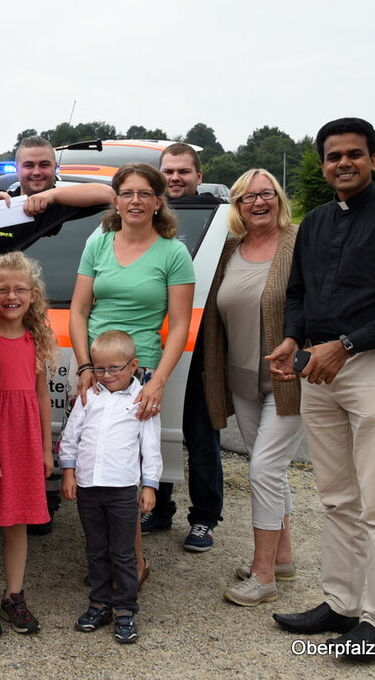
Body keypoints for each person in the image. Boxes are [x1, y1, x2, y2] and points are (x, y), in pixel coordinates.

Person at [268, 118, 375, 660]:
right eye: (333, 155)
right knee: (338, 497)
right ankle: (341, 604)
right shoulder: (316, 222)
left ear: (373, 160)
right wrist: (293, 337)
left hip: (369, 368)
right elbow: (296, 293)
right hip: (318, 369)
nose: (343, 163)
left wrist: (347, 343)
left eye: (354, 154)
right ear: (322, 164)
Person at [68, 162, 195, 580]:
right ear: (116, 200)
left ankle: (133, 565)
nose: (135, 201)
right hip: (95, 369)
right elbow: (79, 309)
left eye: (145, 194)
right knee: (93, 463)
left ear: (159, 202)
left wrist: (156, 382)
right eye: (127, 193)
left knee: (127, 474)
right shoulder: (99, 243)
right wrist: (85, 366)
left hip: (140, 374)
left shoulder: (174, 253)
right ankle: (107, 562)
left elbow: (179, 325)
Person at [203, 169, 303, 606]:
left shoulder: (300, 244)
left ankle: (263, 575)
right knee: (270, 470)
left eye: (266, 194)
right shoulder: (228, 250)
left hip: (289, 380)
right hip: (241, 379)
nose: (258, 203)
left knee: (263, 469)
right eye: (247, 198)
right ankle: (282, 556)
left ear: (279, 198)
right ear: (237, 206)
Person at [0, 252, 54, 637]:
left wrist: (47, 449)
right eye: (2, 289)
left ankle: (14, 595)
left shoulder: (36, 339)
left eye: (20, 289)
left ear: (33, 295)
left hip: (23, 439)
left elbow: (41, 396)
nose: (11, 296)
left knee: (17, 521)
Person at [142, 142, 225, 553]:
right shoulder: (148, 215)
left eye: (184, 171)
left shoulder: (215, 215)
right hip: (152, 345)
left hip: (198, 349)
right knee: (157, 432)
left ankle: (205, 519)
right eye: (169, 171)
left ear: (199, 175)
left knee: (199, 435)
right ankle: (160, 509)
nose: (176, 178)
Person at [61, 330, 162, 645]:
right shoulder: (90, 396)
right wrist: (68, 472)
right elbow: (71, 436)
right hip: (89, 487)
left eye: (113, 368)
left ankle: (125, 609)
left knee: (123, 552)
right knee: (95, 549)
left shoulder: (141, 399)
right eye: (99, 368)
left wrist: (149, 486)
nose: (105, 375)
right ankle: (99, 603)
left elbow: (151, 446)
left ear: (133, 366)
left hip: (121, 489)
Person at [0, 134, 114, 254]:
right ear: (17, 168)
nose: (36, 172)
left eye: (44, 165)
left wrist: (52, 196)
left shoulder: (67, 204)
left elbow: (109, 193)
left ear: (56, 167)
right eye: (29, 165)